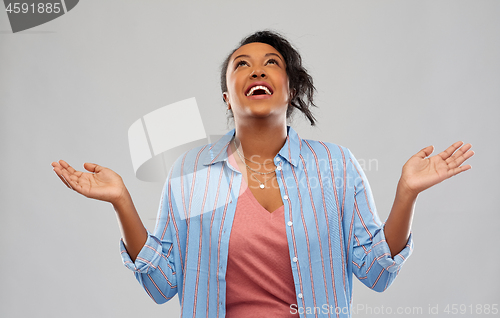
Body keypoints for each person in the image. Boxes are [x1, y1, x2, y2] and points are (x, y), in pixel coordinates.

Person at [52, 30, 474, 318]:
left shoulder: (336, 166)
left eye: (271, 63)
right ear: (226, 96)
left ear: (289, 88)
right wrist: (122, 201)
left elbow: (377, 273)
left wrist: (406, 194)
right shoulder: (191, 173)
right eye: (242, 65)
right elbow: (162, 286)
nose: (256, 70)